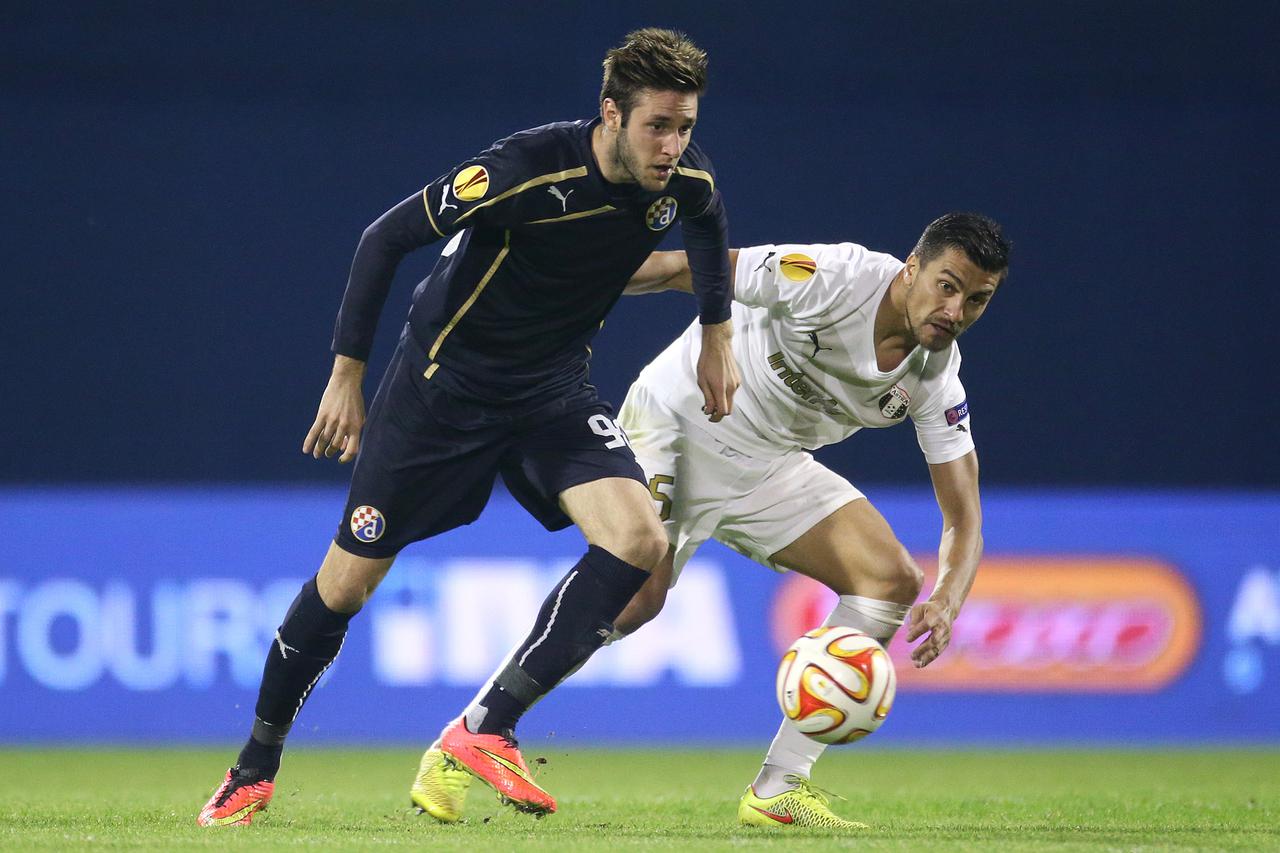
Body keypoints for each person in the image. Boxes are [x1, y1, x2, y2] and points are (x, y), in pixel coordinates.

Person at [197, 27, 740, 828]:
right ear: (610, 114)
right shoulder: (525, 168)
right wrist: (347, 375)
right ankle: (254, 765)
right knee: (346, 584)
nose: (673, 146)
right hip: (441, 391)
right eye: (658, 125)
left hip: (551, 389)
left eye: (685, 125)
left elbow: (707, 220)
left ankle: (486, 727)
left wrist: (717, 337)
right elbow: (384, 238)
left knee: (640, 541)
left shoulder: (683, 180)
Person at [412, 212, 1010, 828]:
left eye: (977, 299)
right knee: (636, 596)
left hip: (767, 464)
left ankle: (780, 786)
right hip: (681, 418)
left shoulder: (937, 379)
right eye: (947, 284)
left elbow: (964, 520)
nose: (955, 309)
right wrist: (550, 279)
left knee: (889, 580)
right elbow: (681, 269)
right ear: (912, 269)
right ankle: (477, 732)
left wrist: (948, 597)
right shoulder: (832, 277)